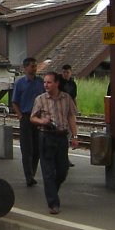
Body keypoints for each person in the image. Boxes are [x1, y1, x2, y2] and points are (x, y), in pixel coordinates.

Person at [30, 71, 79, 214]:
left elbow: (71, 117)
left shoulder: (66, 98)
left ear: (56, 83)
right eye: (44, 82)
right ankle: (53, 203)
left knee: (63, 170)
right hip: (46, 136)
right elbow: (32, 118)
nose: (46, 85)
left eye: (49, 82)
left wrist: (74, 136)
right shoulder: (40, 99)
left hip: (62, 136)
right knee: (48, 171)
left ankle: (52, 191)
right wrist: (42, 121)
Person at [11, 57, 45, 187]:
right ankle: (28, 176)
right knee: (26, 148)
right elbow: (14, 101)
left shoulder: (40, 82)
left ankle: (32, 172)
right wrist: (20, 115)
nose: (34, 68)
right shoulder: (20, 83)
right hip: (25, 117)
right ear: (25, 68)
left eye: (35, 66)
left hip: (37, 117)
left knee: (37, 147)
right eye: (32, 66)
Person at [59, 64, 78, 167]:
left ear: (70, 72)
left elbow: (74, 97)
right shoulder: (58, 82)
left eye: (67, 72)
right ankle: (62, 158)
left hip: (69, 109)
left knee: (68, 134)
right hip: (59, 110)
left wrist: (75, 108)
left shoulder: (72, 84)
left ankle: (65, 157)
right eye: (64, 72)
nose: (65, 74)